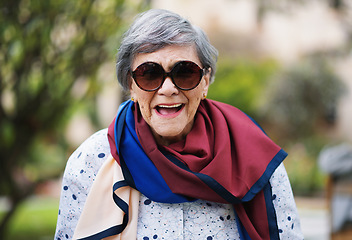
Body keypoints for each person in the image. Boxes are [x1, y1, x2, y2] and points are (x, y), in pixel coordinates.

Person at [54, 9, 303, 240]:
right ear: (131, 85)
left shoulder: (254, 160)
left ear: (205, 82)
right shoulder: (90, 162)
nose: (168, 89)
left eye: (185, 72)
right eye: (149, 74)